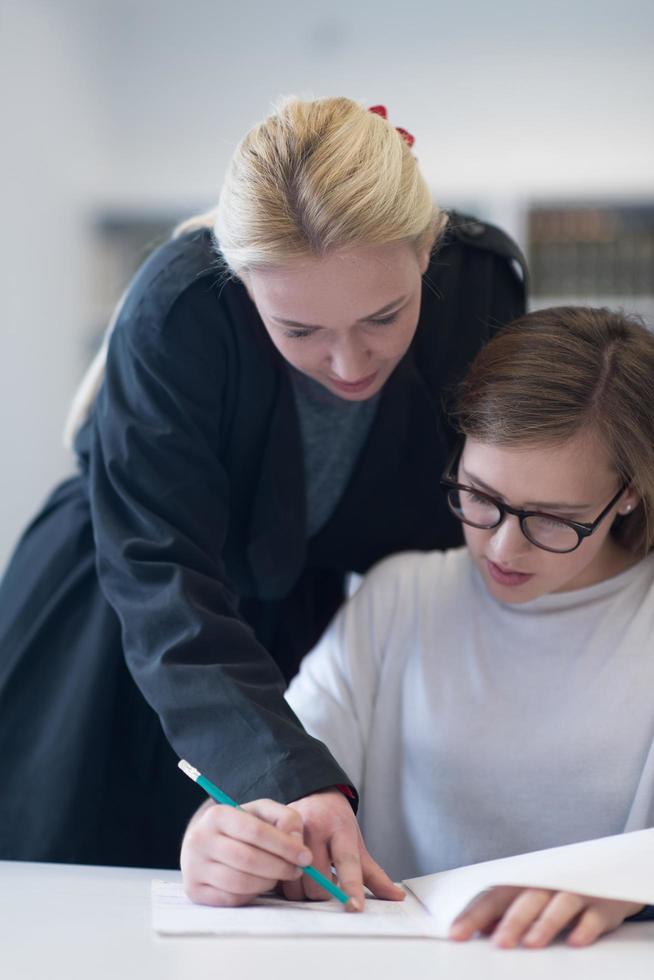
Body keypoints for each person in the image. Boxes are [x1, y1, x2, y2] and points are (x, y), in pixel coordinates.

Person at [0, 95, 525, 894]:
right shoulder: (178, 308)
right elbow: (157, 567)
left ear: (428, 251)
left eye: (384, 317)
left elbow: (475, 512)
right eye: (300, 331)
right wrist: (276, 764)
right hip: (123, 608)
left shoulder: (482, 286)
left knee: (280, 885)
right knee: (75, 882)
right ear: (242, 282)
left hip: (299, 616)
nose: (350, 365)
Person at [180, 306, 654, 947]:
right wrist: (230, 838)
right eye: (480, 497)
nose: (502, 549)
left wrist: (626, 881)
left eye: (552, 519)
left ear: (628, 492)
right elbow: (281, 787)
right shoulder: (400, 597)